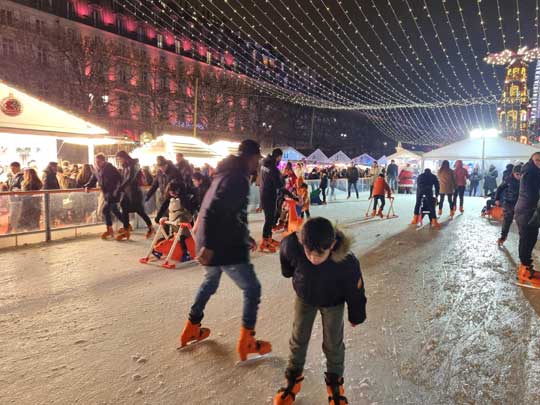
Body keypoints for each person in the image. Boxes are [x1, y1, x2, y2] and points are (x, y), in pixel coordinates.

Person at [179, 140, 272, 362]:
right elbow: (214, 211)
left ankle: (192, 326)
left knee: (210, 281)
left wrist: (244, 235)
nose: (257, 164)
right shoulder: (237, 178)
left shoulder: (224, 173)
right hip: (222, 244)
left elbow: (229, 212)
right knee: (252, 288)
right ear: (250, 157)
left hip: (211, 238)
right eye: (257, 159)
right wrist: (210, 246)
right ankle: (247, 340)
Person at [273, 217, 366, 405]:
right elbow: (285, 254)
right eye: (309, 253)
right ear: (302, 243)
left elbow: (355, 290)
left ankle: (335, 383)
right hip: (305, 297)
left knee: (333, 342)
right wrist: (289, 272)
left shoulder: (347, 263)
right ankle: (293, 378)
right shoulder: (293, 245)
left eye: (320, 254)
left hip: (333, 302)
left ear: (331, 245)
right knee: (298, 337)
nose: (314, 258)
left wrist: (356, 314)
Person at [115, 151, 154, 240]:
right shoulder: (125, 166)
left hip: (134, 192)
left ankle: (151, 228)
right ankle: (126, 230)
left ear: (124, 157)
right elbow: (124, 178)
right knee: (123, 207)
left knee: (139, 211)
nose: (119, 161)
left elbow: (130, 178)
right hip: (126, 192)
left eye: (119, 159)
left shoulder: (134, 165)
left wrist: (120, 188)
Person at [514, 152, 540, 286]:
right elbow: (532, 194)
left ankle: (526, 266)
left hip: (531, 212)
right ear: (532, 160)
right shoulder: (530, 174)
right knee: (526, 239)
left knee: (531, 239)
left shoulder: (534, 172)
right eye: (538, 160)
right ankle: (524, 270)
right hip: (526, 212)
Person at [84, 153, 123, 239]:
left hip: (112, 194)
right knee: (115, 211)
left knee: (105, 210)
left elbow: (119, 180)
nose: (97, 163)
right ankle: (126, 225)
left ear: (103, 161)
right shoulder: (97, 169)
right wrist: (87, 186)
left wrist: (117, 191)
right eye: (96, 161)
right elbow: (93, 179)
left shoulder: (110, 169)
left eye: (99, 161)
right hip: (106, 194)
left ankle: (110, 229)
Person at [260, 148, 291, 252]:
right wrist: (283, 178)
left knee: (269, 218)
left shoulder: (264, 163)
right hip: (269, 195)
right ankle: (265, 241)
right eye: (280, 158)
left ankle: (268, 238)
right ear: (279, 157)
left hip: (264, 193)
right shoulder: (273, 168)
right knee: (269, 219)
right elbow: (279, 184)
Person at [495, 164, 522, 246]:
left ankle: (523, 238)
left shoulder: (526, 180)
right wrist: (497, 199)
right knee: (507, 220)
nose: (519, 176)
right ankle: (503, 236)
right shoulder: (508, 179)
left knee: (521, 222)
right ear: (513, 173)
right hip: (509, 202)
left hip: (521, 203)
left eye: (521, 174)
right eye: (517, 174)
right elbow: (499, 188)